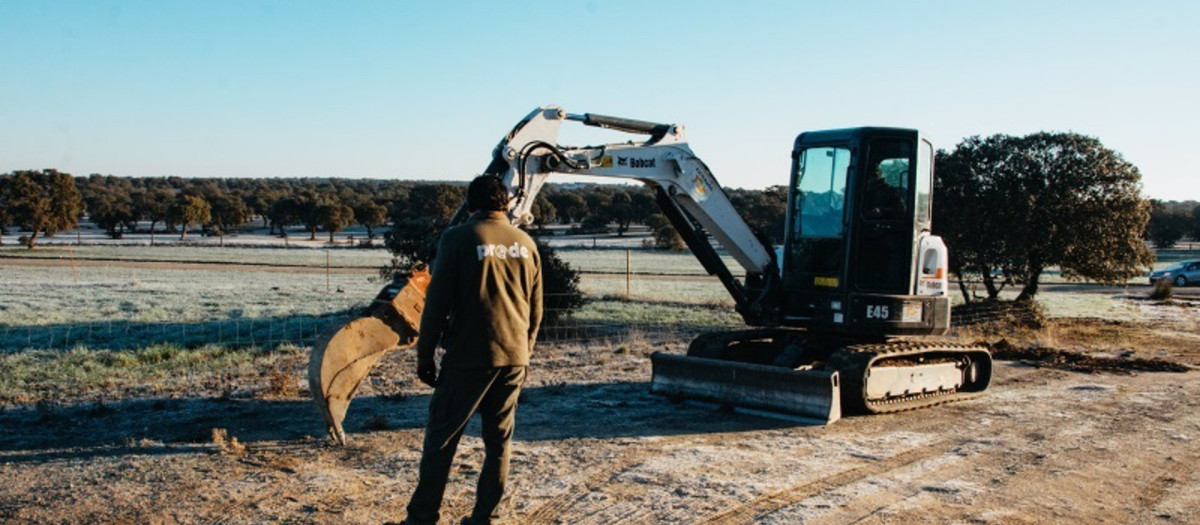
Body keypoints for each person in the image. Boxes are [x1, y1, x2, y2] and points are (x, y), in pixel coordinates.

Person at [399, 175, 543, 525]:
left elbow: (436, 305)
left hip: (469, 356)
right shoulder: (526, 243)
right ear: (506, 204)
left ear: (471, 204)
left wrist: (425, 355)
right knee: (499, 441)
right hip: (514, 356)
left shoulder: (458, 238)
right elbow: (536, 309)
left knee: (442, 439)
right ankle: (486, 517)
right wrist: (523, 352)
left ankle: (422, 518)